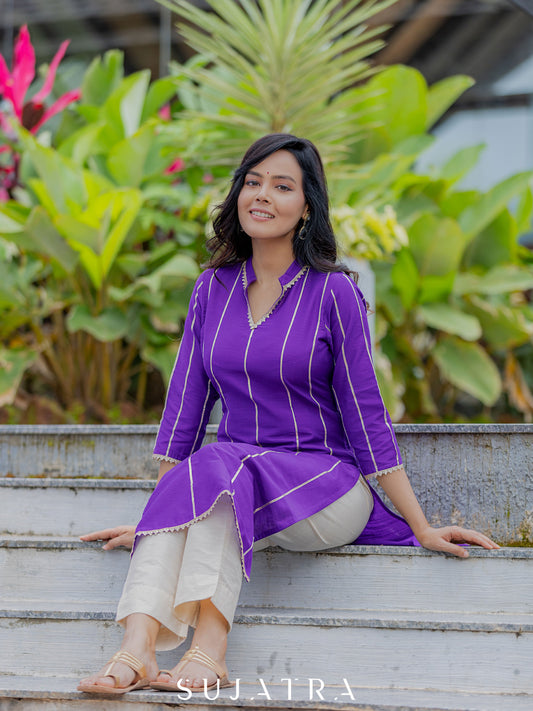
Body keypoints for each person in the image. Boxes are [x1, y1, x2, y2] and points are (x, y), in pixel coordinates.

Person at [77, 134, 499, 696]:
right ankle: (137, 650)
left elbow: (366, 416)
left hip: (328, 488)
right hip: (236, 482)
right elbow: (183, 412)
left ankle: (209, 651)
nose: (262, 195)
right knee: (223, 474)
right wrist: (162, 518)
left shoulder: (333, 293)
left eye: (281, 186)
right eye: (252, 182)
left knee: (224, 468)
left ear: (306, 207)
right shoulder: (210, 290)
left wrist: (420, 526)